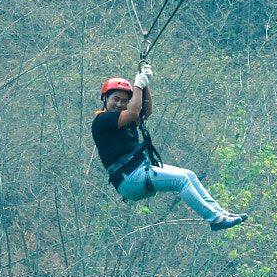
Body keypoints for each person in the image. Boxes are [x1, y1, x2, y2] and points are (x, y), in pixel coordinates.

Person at [93, 66, 246, 230]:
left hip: (136, 172)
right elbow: (133, 112)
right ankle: (215, 219)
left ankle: (220, 213)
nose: (119, 104)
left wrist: (145, 85)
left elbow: (145, 111)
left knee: (189, 175)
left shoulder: (123, 119)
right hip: (129, 177)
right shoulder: (102, 121)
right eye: (115, 99)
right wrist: (137, 85)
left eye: (124, 101)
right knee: (181, 181)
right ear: (105, 98)